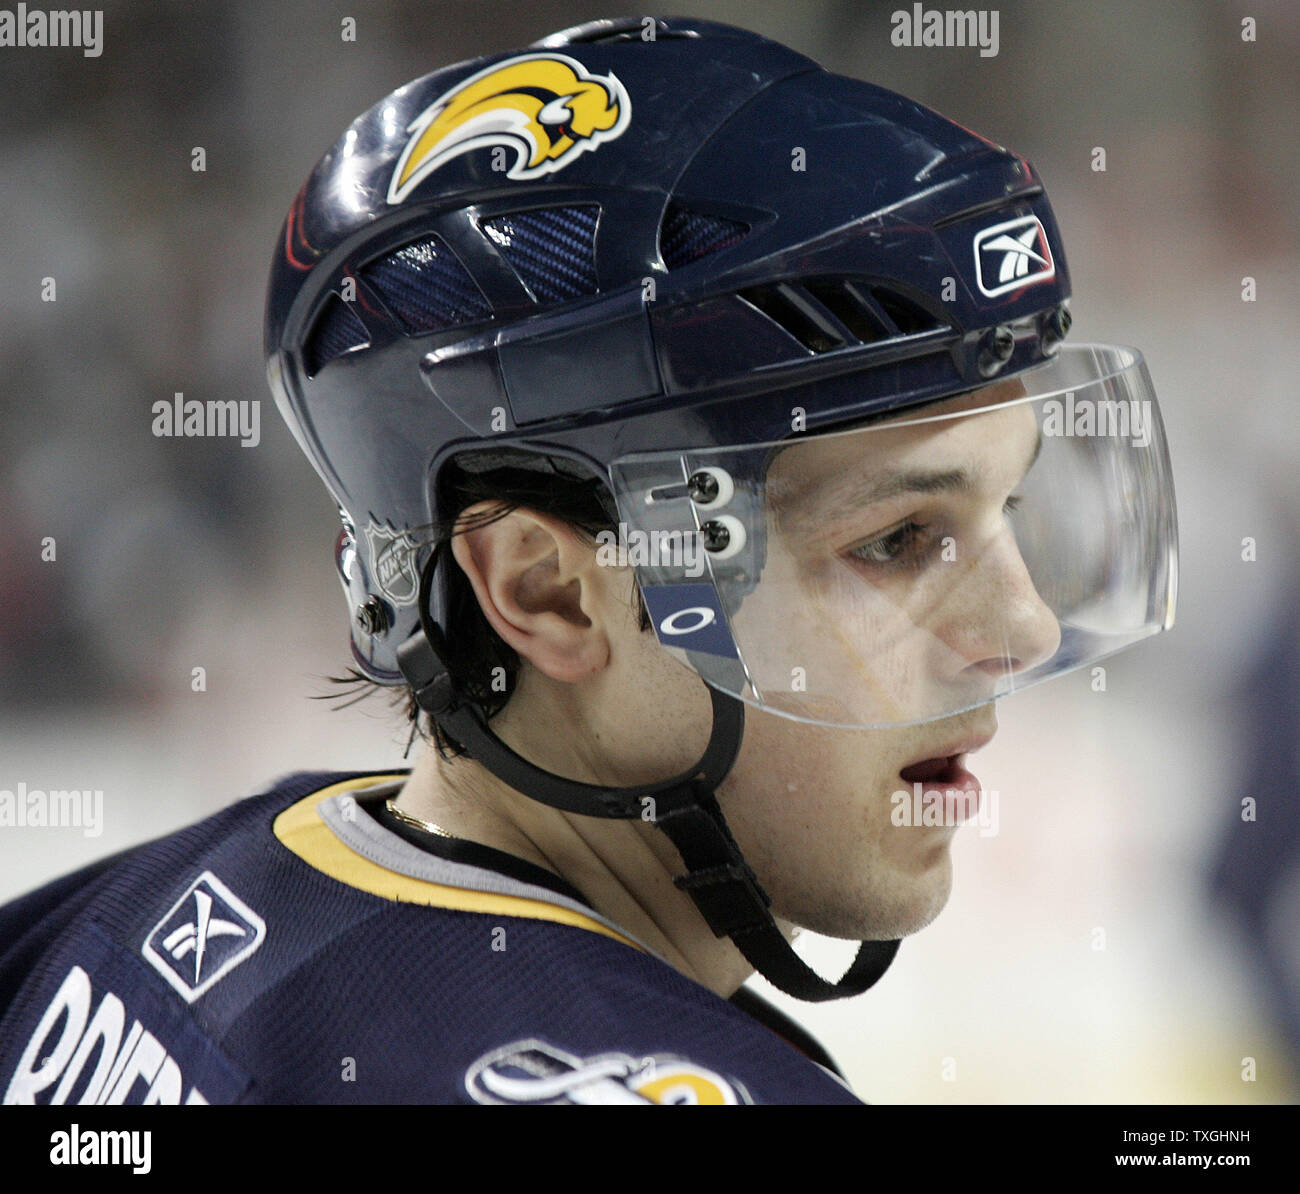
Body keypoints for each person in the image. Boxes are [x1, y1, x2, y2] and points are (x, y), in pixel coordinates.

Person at [0, 16, 1177, 1105]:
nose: (1016, 629)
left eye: (1006, 506)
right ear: (545, 591)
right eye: (897, 540)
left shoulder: (118, 922)